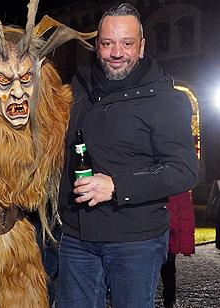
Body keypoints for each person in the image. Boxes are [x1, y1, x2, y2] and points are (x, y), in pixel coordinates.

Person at [57, 4, 199, 307]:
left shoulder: (165, 98)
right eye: (108, 43)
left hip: (136, 242)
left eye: (127, 43)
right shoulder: (78, 88)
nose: (116, 52)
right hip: (76, 238)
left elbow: (184, 170)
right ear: (97, 46)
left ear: (142, 46)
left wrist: (116, 186)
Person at [160, 191, 195, 308]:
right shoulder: (178, 183)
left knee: (167, 271)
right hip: (169, 234)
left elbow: (185, 214)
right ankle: (168, 301)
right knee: (168, 271)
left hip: (168, 234)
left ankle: (169, 300)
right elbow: (185, 213)